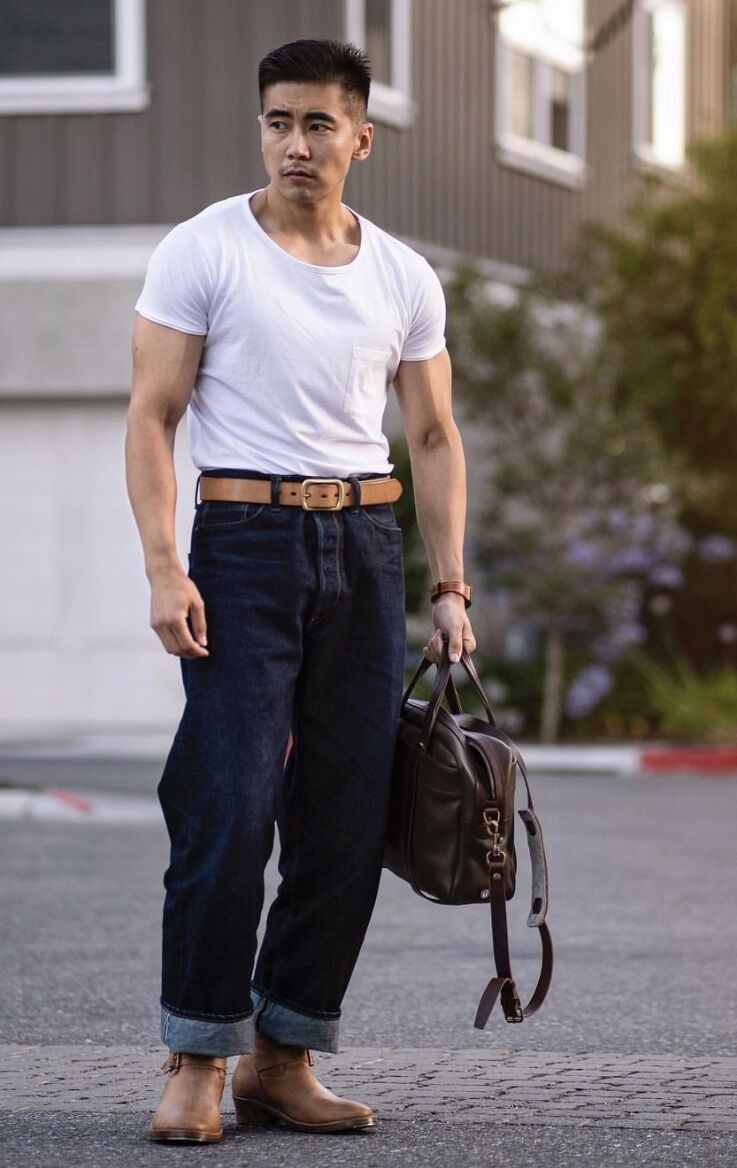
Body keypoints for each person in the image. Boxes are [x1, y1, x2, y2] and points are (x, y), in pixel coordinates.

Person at [125, 37, 476, 1144]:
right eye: (278, 121)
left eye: (318, 124)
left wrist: (452, 583)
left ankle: (284, 1052)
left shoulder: (402, 276)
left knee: (344, 819)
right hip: (241, 545)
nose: (294, 143)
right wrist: (162, 563)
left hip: (366, 551)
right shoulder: (204, 250)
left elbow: (430, 433)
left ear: (360, 138)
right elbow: (151, 415)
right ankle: (196, 1054)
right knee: (227, 804)